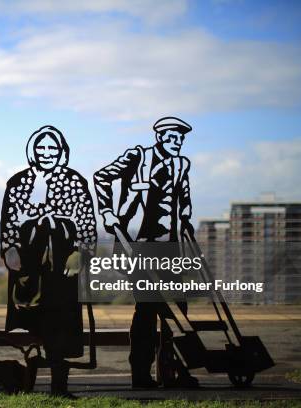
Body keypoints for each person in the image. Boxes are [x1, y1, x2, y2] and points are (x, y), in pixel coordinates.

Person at [93, 116, 198, 388]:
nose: (177, 143)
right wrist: (107, 212)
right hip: (136, 245)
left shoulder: (181, 164)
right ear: (160, 137)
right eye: (172, 137)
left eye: (181, 139)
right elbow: (101, 177)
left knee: (178, 307)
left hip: (169, 247)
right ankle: (141, 374)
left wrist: (185, 212)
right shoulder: (137, 157)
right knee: (148, 308)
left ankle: (172, 371)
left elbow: (182, 193)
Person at [0, 125, 97, 396]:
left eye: (52, 148)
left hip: (64, 259)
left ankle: (59, 386)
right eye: (41, 148)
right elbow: (8, 221)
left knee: (61, 320)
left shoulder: (75, 181)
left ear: (61, 151)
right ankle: (26, 382)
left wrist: (82, 253)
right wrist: (10, 249)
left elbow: (87, 222)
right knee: (31, 318)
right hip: (29, 259)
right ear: (33, 150)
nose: (46, 153)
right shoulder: (18, 182)